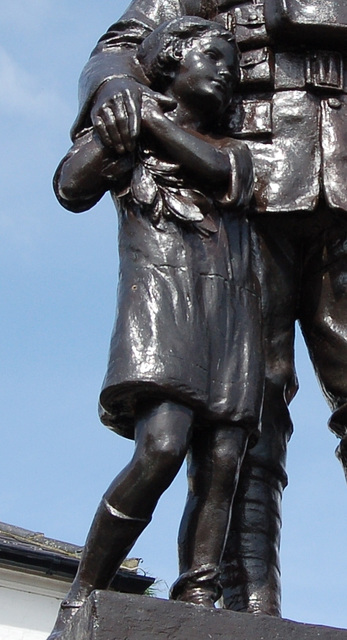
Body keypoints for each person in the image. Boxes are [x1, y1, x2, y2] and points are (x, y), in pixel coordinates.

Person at [71, 0, 347, 618]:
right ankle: (246, 600)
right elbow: (122, 44)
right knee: (251, 402)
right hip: (250, 180)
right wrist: (117, 87)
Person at [49, 17, 263, 639]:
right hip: (162, 303)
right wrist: (114, 124)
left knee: (224, 458)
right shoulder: (130, 132)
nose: (229, 72)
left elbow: (230, 178)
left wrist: (152, 121)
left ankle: (198, 591)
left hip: (232, 306)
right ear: (171, 61)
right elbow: (69, 185)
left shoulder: (231, 148)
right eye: (214, 57)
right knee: (163, 445)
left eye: (234, 65)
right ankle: (85, 589)